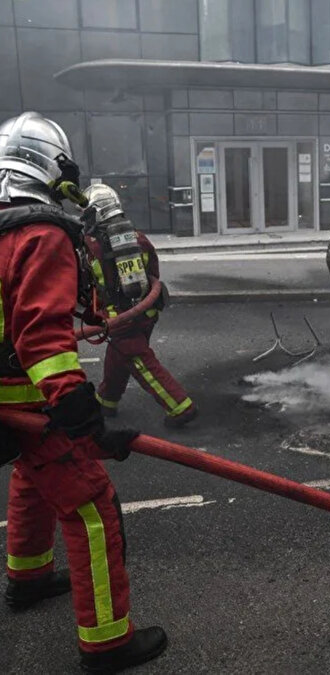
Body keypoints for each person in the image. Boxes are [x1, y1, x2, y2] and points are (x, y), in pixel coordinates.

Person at [0, 112, 167, 672]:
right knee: (91, 505)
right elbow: (41, 337)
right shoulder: (38, 232)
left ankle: (28, 578)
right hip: (27, 396)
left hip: (7, 404)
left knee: (31, 476)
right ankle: (107, 642)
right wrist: (80, 412)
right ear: (53, 168)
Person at [80, 184, 196, 429]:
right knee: (119, 355)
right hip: (146, 309)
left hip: (119, 316)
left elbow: (87, 285)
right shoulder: (138, 237)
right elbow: (153, 272)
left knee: (138, 359)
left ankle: (180, 406)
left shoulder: (91, 246)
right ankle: (107, 400)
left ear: (94, 213)